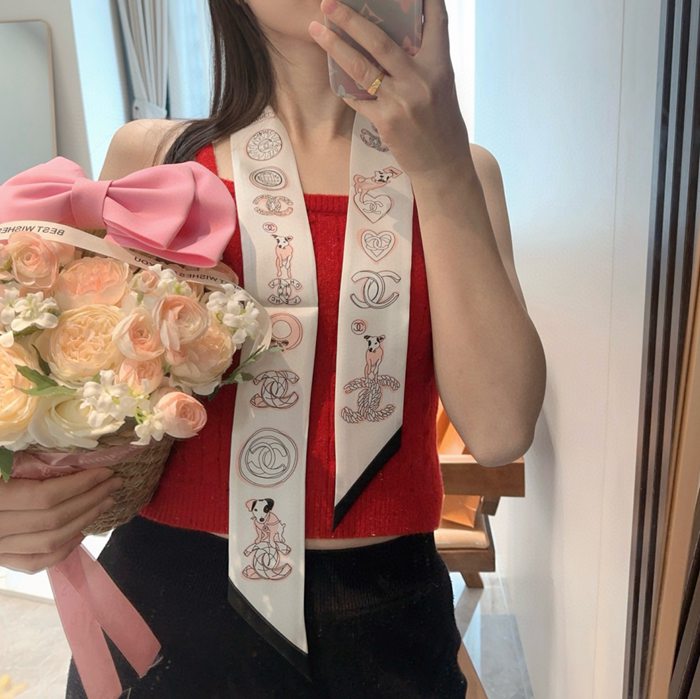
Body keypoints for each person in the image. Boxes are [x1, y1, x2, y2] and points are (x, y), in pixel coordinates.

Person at [0, 0, 546, 697]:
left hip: (385, 616)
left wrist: (440, 170)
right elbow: (52, 372)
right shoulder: (155, 158)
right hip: (166, 606)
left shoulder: (462, 171)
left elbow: (500, 430)